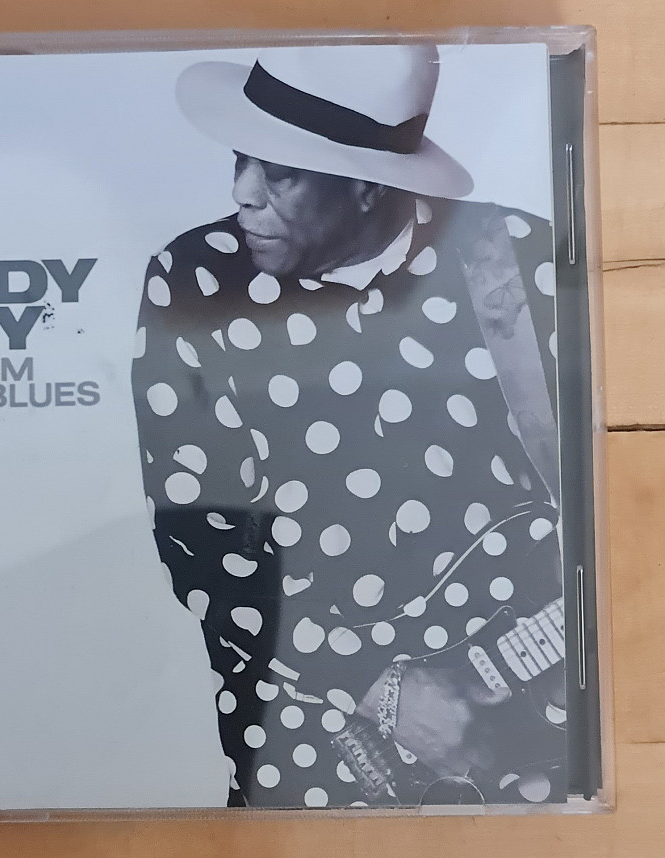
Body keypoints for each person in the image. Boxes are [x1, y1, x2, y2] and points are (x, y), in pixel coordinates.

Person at [132, 44, 565, 808]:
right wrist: (385, 691)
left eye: (278, 173)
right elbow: (200, 539)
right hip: (312, 732)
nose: (241, 193)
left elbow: (618, 507)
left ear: (367, 185)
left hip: (535, 726)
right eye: (240, 160)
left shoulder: (523, 261)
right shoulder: (197, 280)